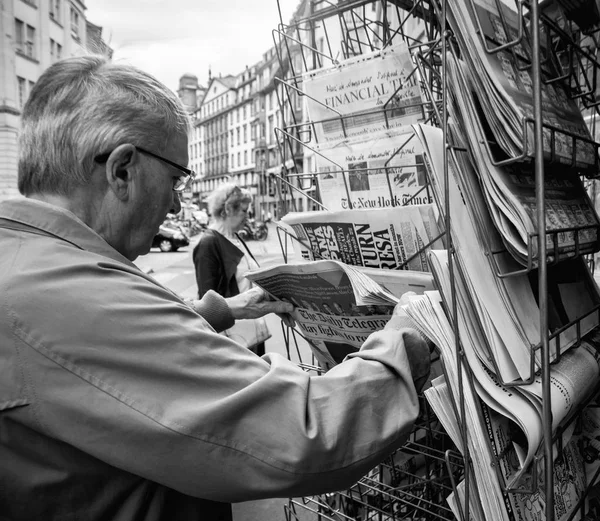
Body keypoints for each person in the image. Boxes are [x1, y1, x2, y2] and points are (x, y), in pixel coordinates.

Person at [0, 55, 431, 521]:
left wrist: (222, 309)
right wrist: (413, 329)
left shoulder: (28, 263)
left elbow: (99, 371)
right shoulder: (72, 296)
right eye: (175, 180)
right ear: (122, 169)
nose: (174, 203)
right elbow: (307, 436)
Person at [192, 183, 266, 355]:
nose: (248, 216)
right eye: (244, 211)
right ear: (227, 209)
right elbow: (208, 301)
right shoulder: (209, 243)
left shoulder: (236, 237)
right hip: (234, 341)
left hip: (251, 333)